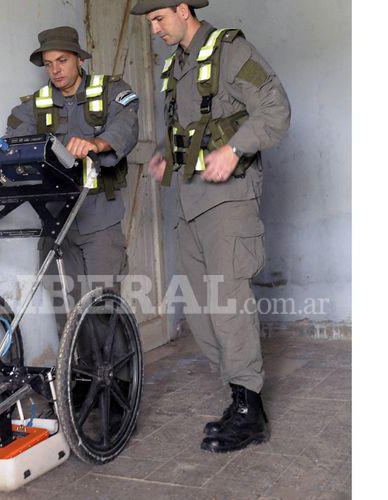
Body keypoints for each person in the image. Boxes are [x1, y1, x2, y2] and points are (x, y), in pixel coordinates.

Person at [131, 1, 291, 453]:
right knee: (201, 311)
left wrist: (236, 150)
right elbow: (193, 131)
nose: (155, 28)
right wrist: (167, 160)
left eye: (159, 18)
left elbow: (276, 109)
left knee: (228, 304)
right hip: (190, 201)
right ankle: (238, 398)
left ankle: (250, 410)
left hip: (229, 201)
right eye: (150, 23)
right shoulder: (176, 67)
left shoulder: (230, 52)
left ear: (184, 9)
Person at [0, 26, 140, 328]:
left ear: (78, 59)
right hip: (55, 219)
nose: (55, 70)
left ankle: (116, 376)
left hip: (98, 217)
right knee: (66, 310)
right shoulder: (33, 106)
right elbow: (16, 142)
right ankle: (75, 375)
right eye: (49, 64)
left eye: (62, 60)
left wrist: (97, 143)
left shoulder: (111, 91)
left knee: (104, 307)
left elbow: (126, 126)